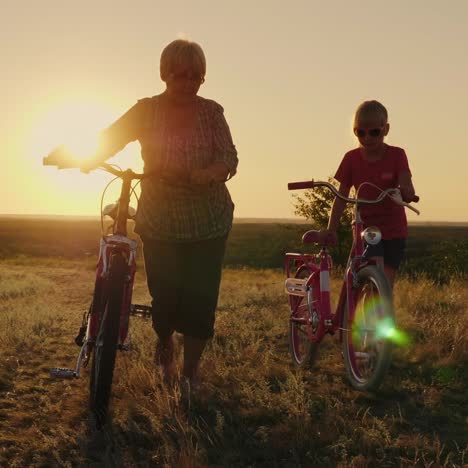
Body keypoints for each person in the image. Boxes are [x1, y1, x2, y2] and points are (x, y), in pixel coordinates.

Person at [80, 39, 238, 389]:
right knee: (165, 295)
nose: (188, 82)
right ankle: (164, 342)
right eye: (180, 75)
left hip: (208, 220)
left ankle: (190, 373)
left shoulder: (212, 112)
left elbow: (229, 157)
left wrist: (210, 173)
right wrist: (80, 156)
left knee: (200, 299)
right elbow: (110, 138)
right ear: (165, 74)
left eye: (196, 76)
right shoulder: (146, 110)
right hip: (160, 219)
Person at [321, 100, 415, 286]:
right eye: (360, 132)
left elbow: (407, 184)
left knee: (385, 283)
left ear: (386, 129)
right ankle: (352, 312)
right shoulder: (351, 159)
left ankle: (381, 310)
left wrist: (406, 192)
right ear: (354, 131)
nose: (367, 138)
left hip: (393, 228)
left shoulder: (397, 155)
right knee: (357, 280)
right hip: (365, 228)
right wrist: (331, 229)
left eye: (374, 132)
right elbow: (340, 198)